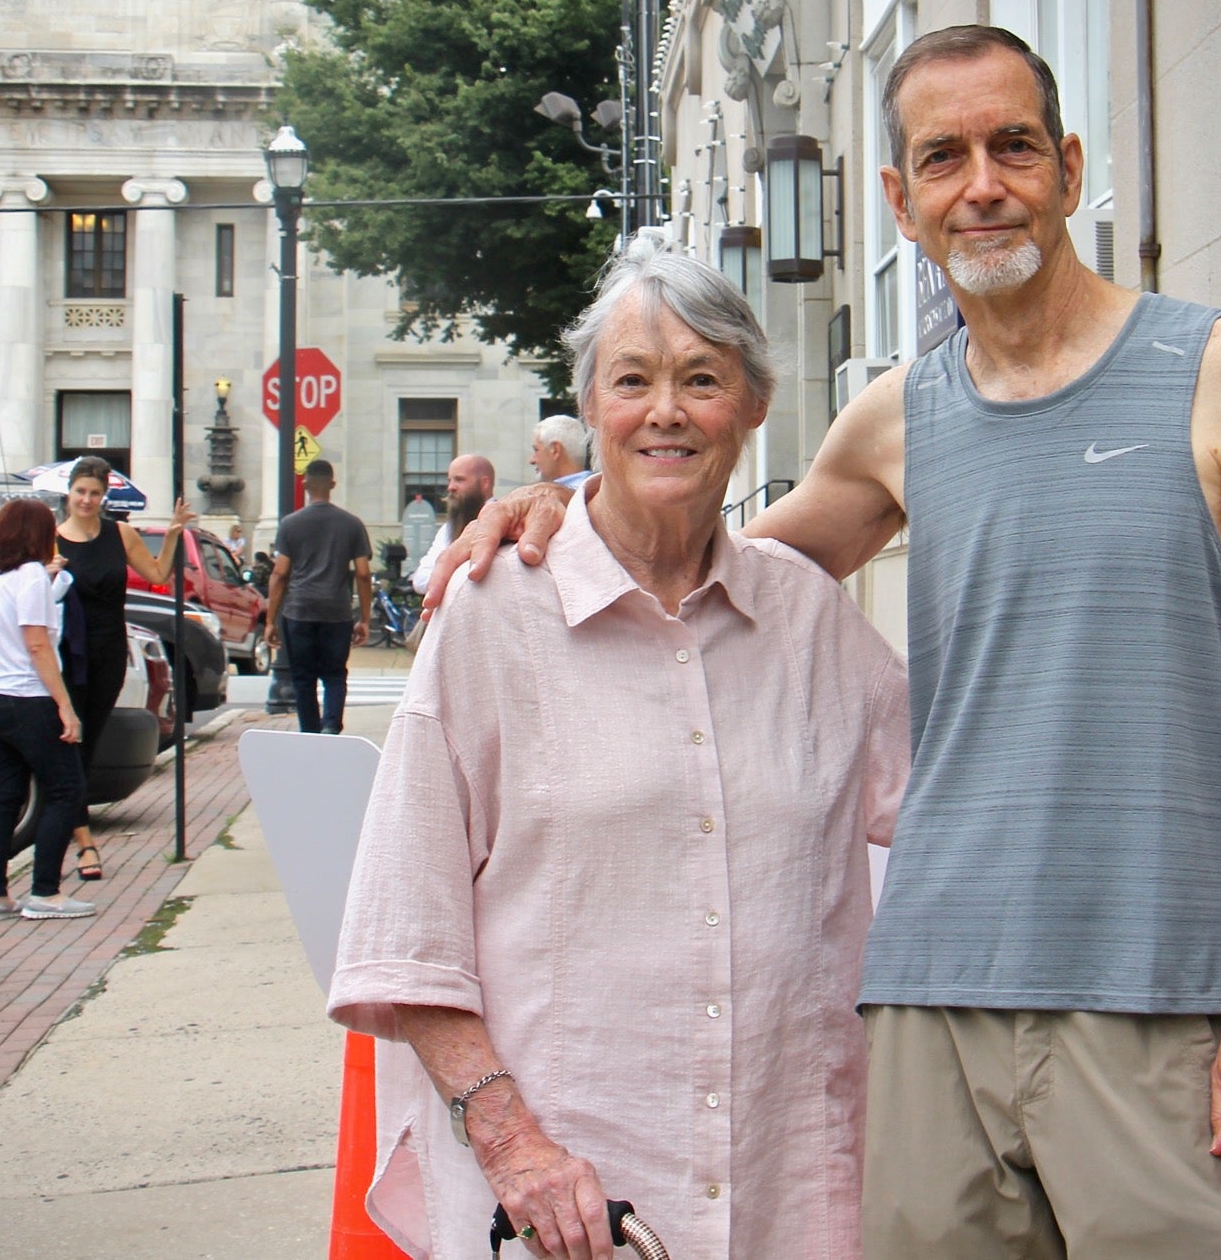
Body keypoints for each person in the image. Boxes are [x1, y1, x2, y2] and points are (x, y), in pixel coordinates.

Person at [439, 25, 1221, 1257]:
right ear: (900, 201)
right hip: (927, 1007)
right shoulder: (896, 418)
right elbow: (713, 559)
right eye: (943, 157)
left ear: (1070, 169)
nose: (983, 185)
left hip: (1155, 992)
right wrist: (554, 501)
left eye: (1013, 146)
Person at [328, 236, 909, 1260]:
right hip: (571, 1207)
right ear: (591, 409)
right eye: (633, 380)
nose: (667, 411)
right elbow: (406, 932)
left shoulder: (813, 621)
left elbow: (949, 816)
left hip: (789, 1188)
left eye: (702, 379)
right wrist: (515, 1146)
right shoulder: (493, 614)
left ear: (756, 404)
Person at [0, 499, 99, 923]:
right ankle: (45, 893)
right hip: (27, 697)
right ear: (39, 535)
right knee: (67, 789)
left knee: (5, 795)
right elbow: (36, 643)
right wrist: (65, 706)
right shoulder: (31, 576)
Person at [54, 457, 193, 881]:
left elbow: (156, 573)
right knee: (67, 741)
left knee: (88, 741)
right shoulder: (52, 539)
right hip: (65, 653)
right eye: (80, 492)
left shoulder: (121, 533)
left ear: (104, 497)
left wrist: (172, 534)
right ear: (69, 493)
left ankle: (68, 831)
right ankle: (83, 841)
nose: (87, 500)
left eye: (95, 493)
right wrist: (47, 571)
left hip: (110, 650)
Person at [263, 459, 373, 734]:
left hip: (298, 610)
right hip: (336, 612)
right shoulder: (352, 524)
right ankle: (331, 726)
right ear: (332, 485)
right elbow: (362, 573)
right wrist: (365, 619)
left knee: (303, 679)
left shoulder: (290, 525)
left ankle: (310, 732)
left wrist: (270, 620)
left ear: (305, 484)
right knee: (335, 675)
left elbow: (280, 574)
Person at [408, 454, 494, 592]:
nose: (450, 487)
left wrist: (445, 574)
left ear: (485, 483)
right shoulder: (448, 528)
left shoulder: (504, 523)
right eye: (450, 480)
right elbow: (421, 580)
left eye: (459, 480)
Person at [527, 414, 593, 489]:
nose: (531, 460)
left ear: (555, 450)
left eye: (536, 450)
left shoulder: (555, 498)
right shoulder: (598, 492)